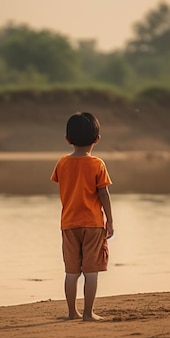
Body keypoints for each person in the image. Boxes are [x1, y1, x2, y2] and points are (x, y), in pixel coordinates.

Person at [50, 112, 114, 322]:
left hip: (69, 224)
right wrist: (110, 221)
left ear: (67, 139)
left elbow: (63, 183)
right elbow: (103, 194)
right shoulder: (97, 164)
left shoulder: (62, 163)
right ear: (97, 139)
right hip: (93, 224)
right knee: (91, 271)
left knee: (71, 272)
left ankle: (71, 313)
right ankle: (88, 313)